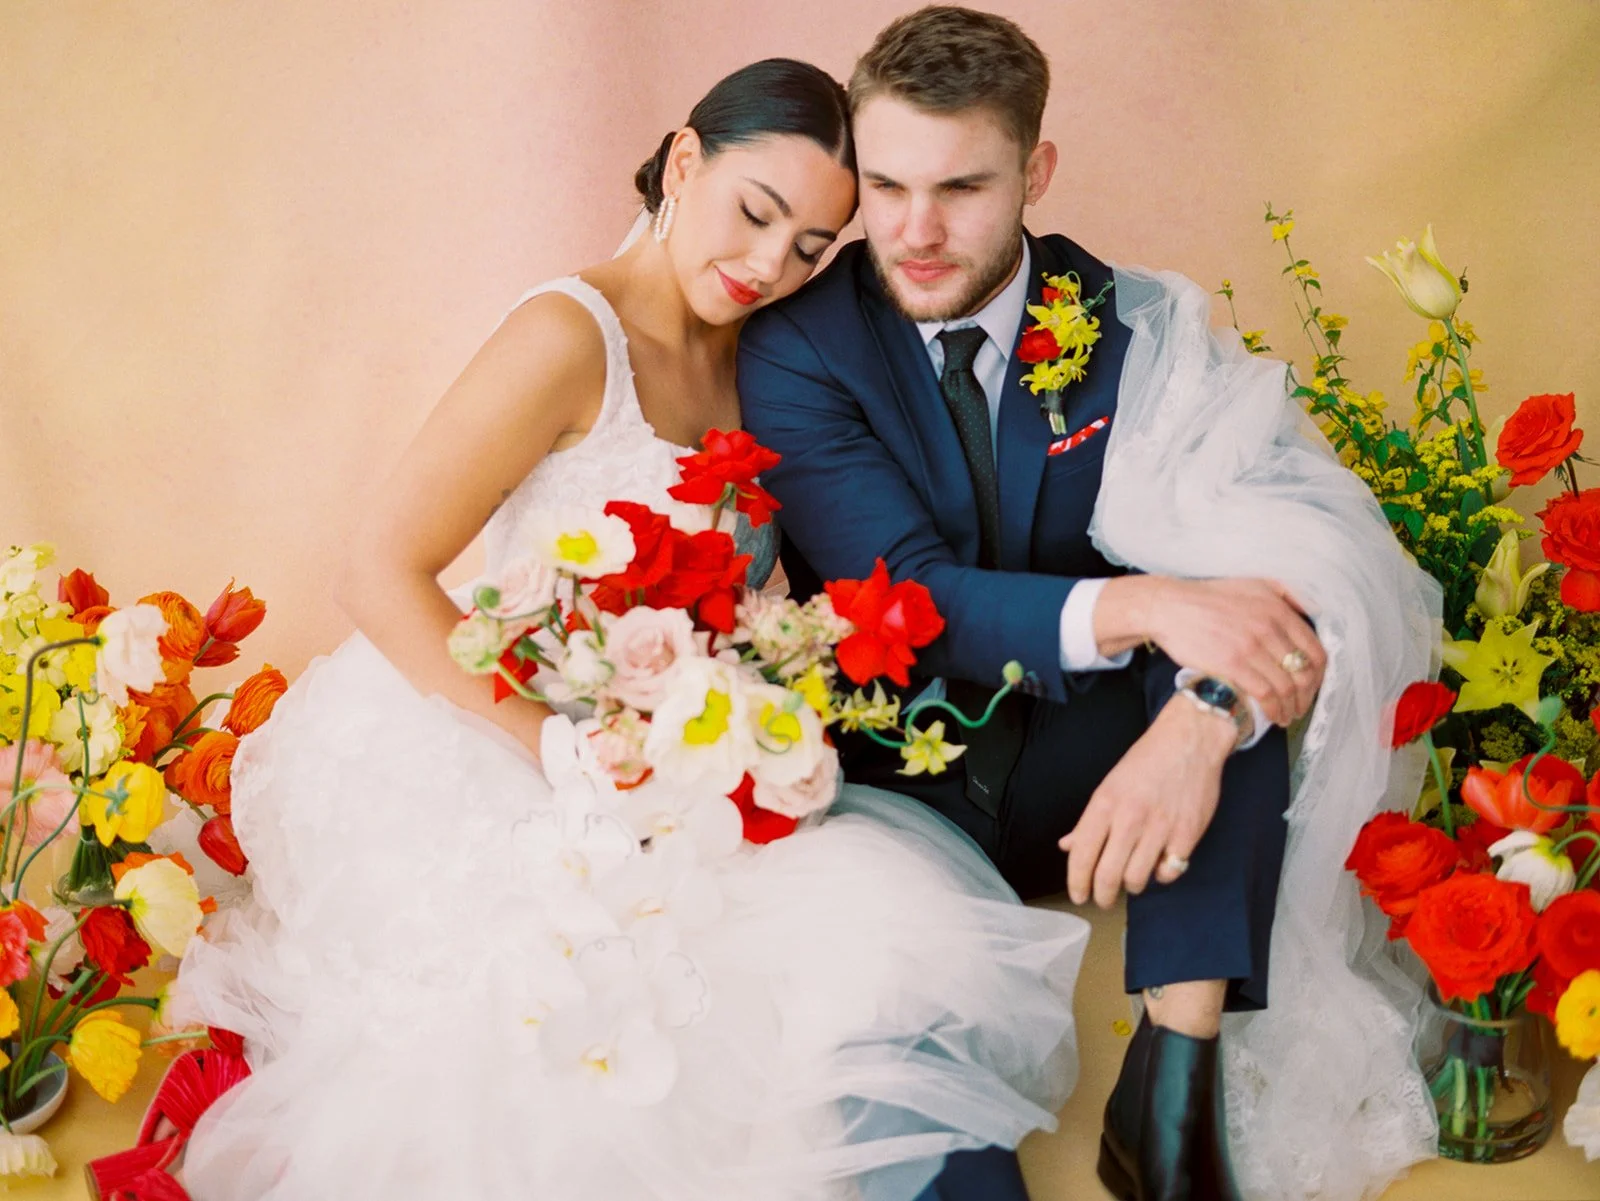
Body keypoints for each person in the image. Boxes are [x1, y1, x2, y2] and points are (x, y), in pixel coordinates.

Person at [166, 57, 1090, 1201]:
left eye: (809, 245)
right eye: (755, 214)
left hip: (691, 744)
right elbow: (375, 570)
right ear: (686, 159)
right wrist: (551, 743)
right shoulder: (569, 335)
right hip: (503, 730)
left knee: (872, 979)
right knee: (587, 1043)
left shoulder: (768, 347)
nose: (767, 267)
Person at [740, 8, 1440, 1201]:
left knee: (1237, 651)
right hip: (889, 776)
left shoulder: (1130, 318)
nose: (912, 231)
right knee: (933, 1141)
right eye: (887, 185)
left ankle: (1173, 1089)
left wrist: (1200, 717)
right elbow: (903, 593)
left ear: (1035, 172)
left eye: (960, 187)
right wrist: (1151, 604)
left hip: (1092, 766)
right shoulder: (798, 348)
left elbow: (1289, 545)